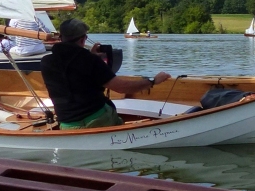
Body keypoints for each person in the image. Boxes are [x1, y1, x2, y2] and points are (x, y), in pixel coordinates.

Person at [41, 19, 170, 130]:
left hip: (67, 125)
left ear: (61, 38)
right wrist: (153, 81)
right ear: (82, 39)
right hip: (96, 120)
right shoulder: (90, 61)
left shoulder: (46, 62)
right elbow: (122, 88)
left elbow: (71, 69)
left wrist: (89, 55)